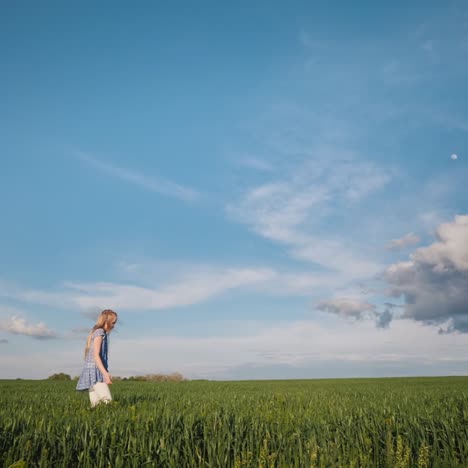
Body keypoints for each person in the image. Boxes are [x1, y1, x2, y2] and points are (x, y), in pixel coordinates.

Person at [76, 309, 118, 407]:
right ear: (107, 322)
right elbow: (96, 355)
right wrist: (105, 374)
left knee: (96, 405)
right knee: (108, 402)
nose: (114, 325)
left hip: (91, 371)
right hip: (95, 371)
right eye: (113, 322)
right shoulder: (100, 332)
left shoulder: (98, 332)